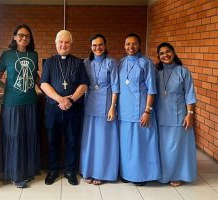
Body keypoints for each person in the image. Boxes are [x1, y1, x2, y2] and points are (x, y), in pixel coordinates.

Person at [40, 30, 89, 186]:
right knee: (53, 140)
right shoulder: (49, 62)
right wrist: (60, 99)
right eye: (60, 42)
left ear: (71, 44)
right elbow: (44, 84)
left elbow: (84, 84)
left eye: (67, 42)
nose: (63, 45)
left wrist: (71, 100)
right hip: (53, 109)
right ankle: (53, 170)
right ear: (56, 43)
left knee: (72, 141)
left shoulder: (78, 62)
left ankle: (70, 171)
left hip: (73, 109)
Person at [0, 24, 40, 188]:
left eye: (27, 36)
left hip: (30, 102)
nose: (24, 38)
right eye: (20, 35)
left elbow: (35, 76)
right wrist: (5, 88)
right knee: (14, 137)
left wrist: (50, 92)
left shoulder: (33, 55)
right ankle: (15, 173)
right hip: (11, 104)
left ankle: (27, 170)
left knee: (27, 136)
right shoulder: (6, 55)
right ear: (14, 37)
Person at [117, 33, 161, 186]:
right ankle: (127, 173)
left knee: (141, 145)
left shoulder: (146, 62)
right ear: (124, 45)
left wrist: (147, 111)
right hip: (124, 111)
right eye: (128, 44)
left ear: (139, 45)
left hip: (141, 110)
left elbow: (151, 89)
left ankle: (141, 175)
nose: (131, 47)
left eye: (134, 43)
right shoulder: (121, 63)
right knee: (127, 144)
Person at [155, 42, 197, 187]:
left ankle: (176, 175)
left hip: (179, 116)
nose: (165, 55)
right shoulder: (155, 72)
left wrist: (189, 114)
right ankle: (162, 175)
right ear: (158, 57)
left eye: (168, 52)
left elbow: (190, 94)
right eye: (161, 53)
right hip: (159, 116)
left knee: (177, 148)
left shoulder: (183, 71)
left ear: (173, 53)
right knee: (163, 148)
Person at [79, 34, 119, 185]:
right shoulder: (85, 63)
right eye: (94, 45)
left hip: (106, 105)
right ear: (91, 47)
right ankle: (88, 170)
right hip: (90, 104)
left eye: (100, 44)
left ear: (105, 45)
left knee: (103, 141)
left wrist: (112, 107)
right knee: (90, 140)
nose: (98, 48)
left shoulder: (111, 62)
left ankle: (101, 172)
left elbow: (116, 87)